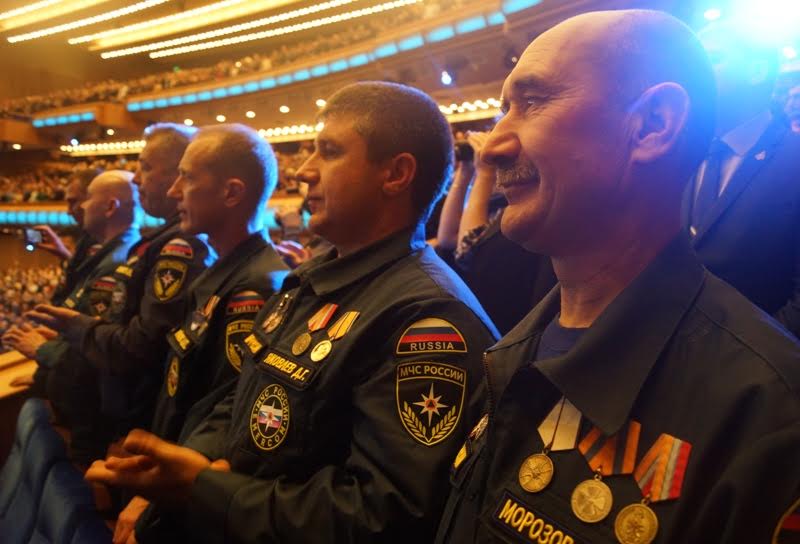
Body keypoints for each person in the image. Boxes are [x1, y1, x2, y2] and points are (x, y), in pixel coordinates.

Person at [433, 10, 800, 544]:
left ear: (651, 126)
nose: (492, 147)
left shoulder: (768, 418)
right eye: (505, 109)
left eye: (533, 102)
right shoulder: (512, 347)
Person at [86, 81, 499, 543]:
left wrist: (203, 489)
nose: (303, 172)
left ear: (396, 174)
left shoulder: (429, 321)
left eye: (329, 152)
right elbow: (243, 394)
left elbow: (380, 517)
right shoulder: (312, 279)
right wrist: (187, 461)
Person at [117, 123, 288, 543]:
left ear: (231, 193)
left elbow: (225, 416)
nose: (174, 191)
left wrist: (153, 498)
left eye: (187, 177)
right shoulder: (225, 272)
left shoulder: (255, 288)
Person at [28, 123, 215, 452]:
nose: (137, 178)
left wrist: (75, 327)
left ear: (178, 174)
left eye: (145, 167)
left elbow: (141, 347)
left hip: (135, 428)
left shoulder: (181, 246)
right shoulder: (158, 241)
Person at [3, 170, 142, 464]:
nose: (78, 208)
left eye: (86, 198)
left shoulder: (115, 262)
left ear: (110, 207)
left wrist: (44, 350)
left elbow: (98, 348)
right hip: (77, 403)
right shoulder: (103, 253)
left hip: (88, 414)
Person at [685, 23, 800, 337]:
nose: (692, 73)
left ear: (757, 71)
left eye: (713, 59)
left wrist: (738, 358)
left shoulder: (794, 159)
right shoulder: (681, 151)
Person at [437, 131, 556, 334]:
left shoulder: (518, 206)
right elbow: (447, 238)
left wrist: (484, 174)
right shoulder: (494, 203)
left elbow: (467, 250)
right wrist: (465, 171)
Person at [39, 167, 102, 306]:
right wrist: (65, 255)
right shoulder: (87, 237)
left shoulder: (107, 243)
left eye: (73, 202)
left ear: (93, 199)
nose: (68, 211)